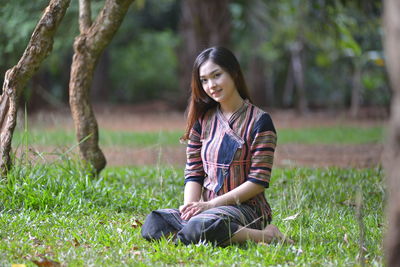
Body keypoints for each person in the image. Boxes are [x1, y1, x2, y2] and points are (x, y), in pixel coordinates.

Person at [141, 46, 292, 246]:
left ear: (234, 73)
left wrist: (210, 205)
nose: (211, 85)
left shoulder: (260, 121)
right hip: (205, 210)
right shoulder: (202, 120)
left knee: (198, 227)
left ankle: (267, 235)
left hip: (246, 209)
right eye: (204, 80)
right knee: (154, 223)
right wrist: (190, 207)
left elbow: (258, 181)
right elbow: (194, 172)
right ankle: (199, 233)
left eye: (216, 75)